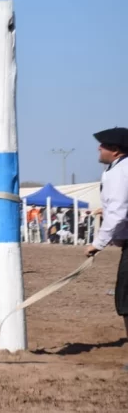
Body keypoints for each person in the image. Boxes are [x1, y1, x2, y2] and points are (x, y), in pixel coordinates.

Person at [84, 127, 128, 370]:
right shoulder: (117, 169)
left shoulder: (120, 172)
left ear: (116, 150)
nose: (99, 148)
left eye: (103, 145)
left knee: (125, 298)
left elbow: (119, 210)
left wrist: (97, 244)